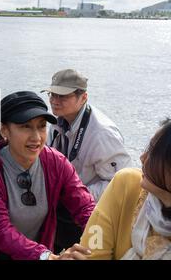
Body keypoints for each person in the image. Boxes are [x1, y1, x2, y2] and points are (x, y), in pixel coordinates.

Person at [0, 91, 95, 260]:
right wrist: (48, 257)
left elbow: (85, 207)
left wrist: (98, 242)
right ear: (4, 130)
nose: (36, 137)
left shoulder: (56, 163)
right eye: (25, 126)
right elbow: (0, 229)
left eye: (41, 126)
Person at [42, 68, 132, 252]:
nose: (54, 101)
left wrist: (76, 192)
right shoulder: (58, 120)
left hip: (86, 212)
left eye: (62, 96)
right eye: (52, 94)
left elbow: (121, 185)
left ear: (83, 97)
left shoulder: (102, 134)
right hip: (61, 206)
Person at [80, 119, 171, 260]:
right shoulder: (127, 184)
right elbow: (90, 254)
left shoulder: (101, 131)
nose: (142, 158)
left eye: (153, 153)